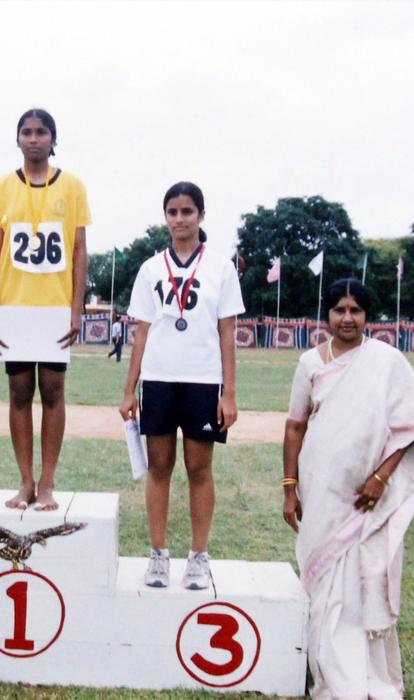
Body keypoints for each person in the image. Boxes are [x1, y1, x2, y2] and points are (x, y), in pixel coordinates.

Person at [282, 279, 414, 699]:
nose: (347, 318)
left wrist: (381, 478)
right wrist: (289, 487)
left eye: (356, 310)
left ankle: (364, 675)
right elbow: (295, 426)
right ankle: (328, 672)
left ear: (367, 315)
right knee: (322, 581)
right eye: (339, 309)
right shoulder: (310, 363)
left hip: (367, 496)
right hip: (321, 488)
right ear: (327, 315)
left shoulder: (387, 361)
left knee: (360, 580)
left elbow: (413, 424)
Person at [119, 182, 244, 590]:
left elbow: (227, 333)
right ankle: (158, 554)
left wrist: (229, 393)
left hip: (203, 381)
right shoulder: (151, 268)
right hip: (158, 379)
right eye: (172, 212)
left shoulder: (220, 268)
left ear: (201, 216)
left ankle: (199, 556)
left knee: (199, 469)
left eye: (187, 211)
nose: (179, 219)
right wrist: (129, 389)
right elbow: (141, 331)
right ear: (165, 217)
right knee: (159, 468)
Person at [0, 107, 91, 511]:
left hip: (54, 308)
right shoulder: (0, 188)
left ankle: (48, 483)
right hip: (14, 307)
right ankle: (25, 481)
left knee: (53, 390)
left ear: (53, 139)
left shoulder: (73, 186)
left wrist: (76, 309)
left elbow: (79, 251)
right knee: (18, 392)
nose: (33, 139)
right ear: (17, 139)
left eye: (41, 132)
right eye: (26, 132)